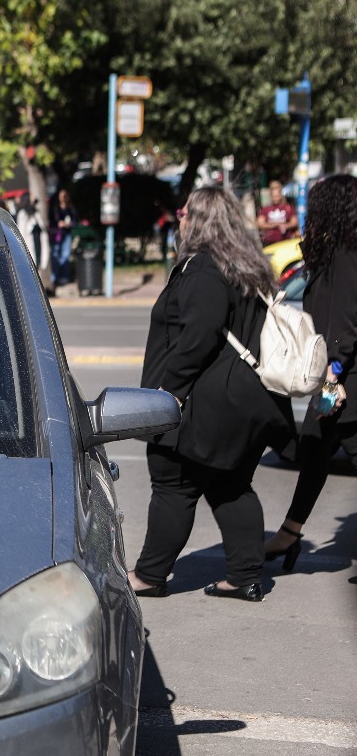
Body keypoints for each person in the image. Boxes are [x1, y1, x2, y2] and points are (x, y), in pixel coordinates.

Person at [128, 187, 294, 603]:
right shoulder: (246, 267)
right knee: (231, 484)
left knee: (172, 480)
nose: (178, 219)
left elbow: (198, 337)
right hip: (245, 402)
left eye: (183, 212)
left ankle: (149, 575)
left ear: (197, 220)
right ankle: (245, 576)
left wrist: (171, 394)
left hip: (207, 401)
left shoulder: (203, 269)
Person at [264, 175, 357, 569]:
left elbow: (347, 322)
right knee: (315, 450)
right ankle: (289, 533)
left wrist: (333, 373)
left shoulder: (346, 254)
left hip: (346, 377)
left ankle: (288, 534)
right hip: (336, 373)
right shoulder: (335, 250)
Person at [49, 189, 78, 286]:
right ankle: (54, 277)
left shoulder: (70, 208)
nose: (62, 199)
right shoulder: (55, 208)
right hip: (57, 234)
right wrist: (58, 223)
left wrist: (70, 224)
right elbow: (51, 220)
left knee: (65, 255)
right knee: (55, 255)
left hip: (66, 233)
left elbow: (75, 221)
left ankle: (63, 277)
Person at [256, 180, 298, 245]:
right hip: (270, 242)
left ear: (280, 195)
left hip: (286, 241)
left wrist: (286, 226)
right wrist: (274, 225)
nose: (276, 198)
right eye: (274, 196)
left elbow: (295, 222)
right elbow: (260, 223)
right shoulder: (265, 209)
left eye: (277, 196)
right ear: (271, 196)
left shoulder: (288, 208)